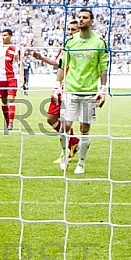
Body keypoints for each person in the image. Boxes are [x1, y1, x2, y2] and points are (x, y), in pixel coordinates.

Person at [56, 9, 108, 174]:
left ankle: (82, 162)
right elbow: (63, 65)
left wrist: (103, 89)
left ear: (92, 21)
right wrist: (57, 85)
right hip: (70, 91)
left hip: (89, 93)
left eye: (85, 17)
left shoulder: (99, 42)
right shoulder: (71, 41)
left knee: (84, 129)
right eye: (79, 17)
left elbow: (103, 68)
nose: (81, 20)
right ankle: (65, 154)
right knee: (65, 126)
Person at [33, 20, 80, 164]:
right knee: (51, 119)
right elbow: (58, 63)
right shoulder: (66, 47)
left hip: (74, 89)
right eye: (69, 29)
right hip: (61, 88)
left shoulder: (83, 49)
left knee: (67, 122)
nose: (70, 32)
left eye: (74, 30)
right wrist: (41, 58)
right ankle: (73, 141)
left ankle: (68, 151)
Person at [0, 28, 22, 131]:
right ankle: (7, 122)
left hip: (11, 77)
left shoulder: (15, 49)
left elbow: (20, 64)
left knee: (11, 98)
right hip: (0, 78)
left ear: (11, 36)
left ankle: (11, 123)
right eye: (2, 35)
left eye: (5, 35)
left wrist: (22, 78)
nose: (3, 37)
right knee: (3, 100)